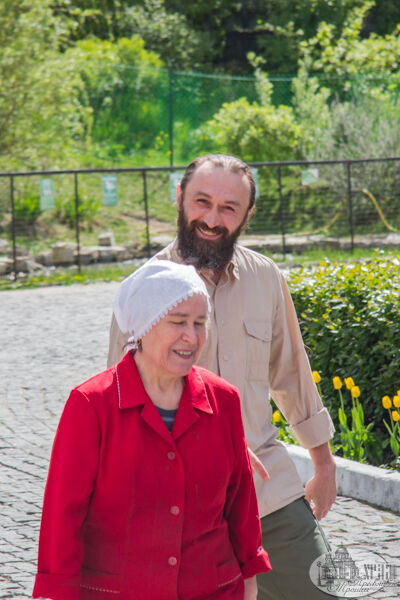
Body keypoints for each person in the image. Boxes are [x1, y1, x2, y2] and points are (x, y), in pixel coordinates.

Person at [107, 154, 339, 600]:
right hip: (178, 505)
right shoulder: (143, 289)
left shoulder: (266, 277)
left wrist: (324, 463)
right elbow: (120, 400)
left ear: (248, 214)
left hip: (267, 493)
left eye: (229, 208)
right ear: (180, 197)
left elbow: (291, 371)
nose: (212, 219)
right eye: (202, 202)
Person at [33, 260, 271, 600]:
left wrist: (249, 580)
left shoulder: (224, 399)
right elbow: (63, 514)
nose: (192, 336)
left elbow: (241, 502)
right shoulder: (91, 405)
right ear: (143, 326)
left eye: (200, 323)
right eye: (178, 321)